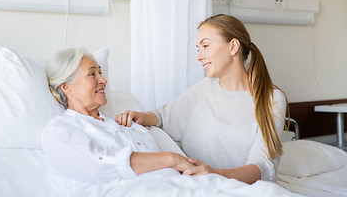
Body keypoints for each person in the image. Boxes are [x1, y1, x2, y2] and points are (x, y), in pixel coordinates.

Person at [116, 14, 288, 184]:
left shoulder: (271, 99)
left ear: (233, 46)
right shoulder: (204, 88)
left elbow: (263, 166)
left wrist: (214, 173)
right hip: (195, 186)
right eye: (198, 49)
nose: (199, 56)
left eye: (205, 46)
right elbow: (165, 117)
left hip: (238, 188)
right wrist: (140, 116)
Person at [41, 48, 194, 193]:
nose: (103, 80)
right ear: (67, 88)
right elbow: (98, 166)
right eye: (92, 74)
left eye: (100, 72)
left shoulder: (125, 123)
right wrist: (172, 159)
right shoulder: (60, 130)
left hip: (183, 186)